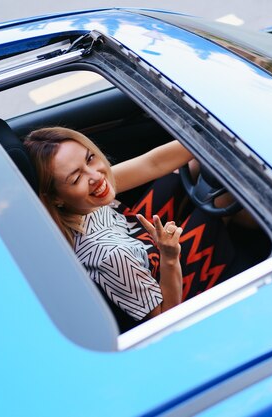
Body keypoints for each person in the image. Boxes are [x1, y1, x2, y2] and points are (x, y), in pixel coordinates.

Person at [24, 127, 235, 331]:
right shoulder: (111, 256)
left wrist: (215, 136)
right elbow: (166, 319)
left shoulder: (79, 202)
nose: (97, 176)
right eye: (76, 178)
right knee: (219, 204)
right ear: (56, 198)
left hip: (141, 244)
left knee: (176, 175)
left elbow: (153, 163)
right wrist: (169, 256)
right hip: (169, 283)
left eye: (89, 158)